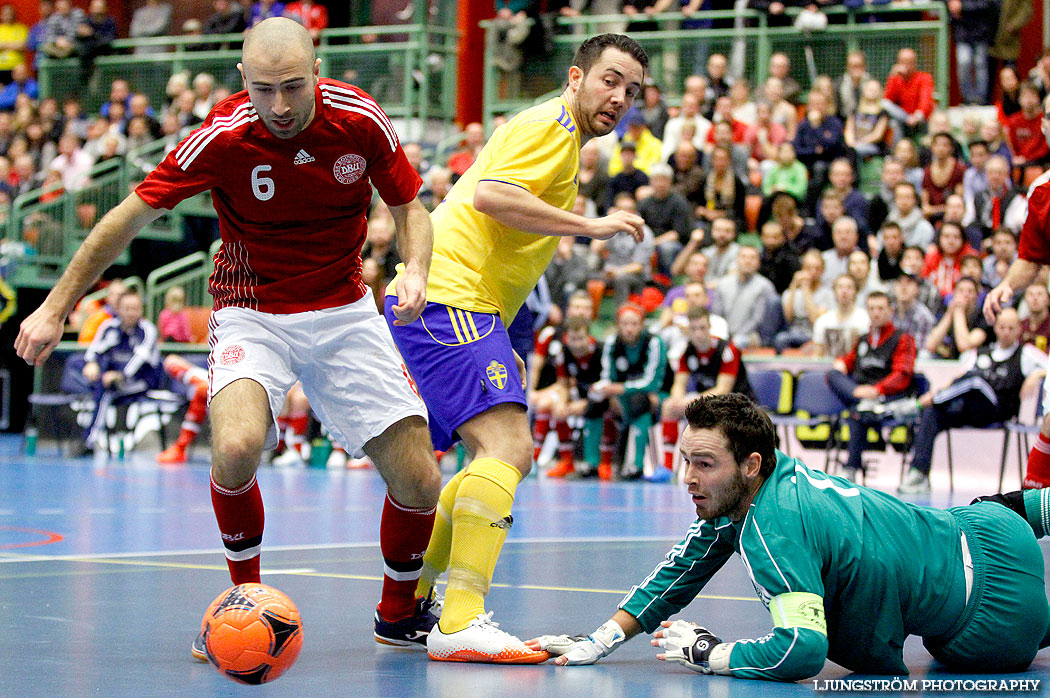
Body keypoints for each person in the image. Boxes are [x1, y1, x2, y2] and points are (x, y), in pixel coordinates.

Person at [14, 17, 444, 659]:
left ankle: (397, 611)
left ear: (317, 73)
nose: (279, 105)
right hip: (252, 311)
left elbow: (410, 206)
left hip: (344, 309)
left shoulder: (360, 121)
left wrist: (416, 270)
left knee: (419, 481)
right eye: (265, 89)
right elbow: (123, 222)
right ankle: (243, 602)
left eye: (294, 87)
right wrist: (53, 307)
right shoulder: (220, 137)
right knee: (238, 445)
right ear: (244, 79)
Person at [384, 33, 648, 663]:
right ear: (576, 77)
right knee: (507, 447)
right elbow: (490, 197)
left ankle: (408, 609)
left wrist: (504, 334)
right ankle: (460, 619)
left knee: (486, 451)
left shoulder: (561, 136)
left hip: (468, 304)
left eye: (632, 91)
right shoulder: (551, 126)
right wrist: (592, 226)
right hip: (451, 296)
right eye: (610, 80)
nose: (619, 98)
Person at [527, 392, 1050, 681]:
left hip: (990, 625)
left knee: (946, 641)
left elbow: (800, 651)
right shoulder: (774, 475)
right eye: (685, 459)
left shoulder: (771, 531)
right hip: (995, 529)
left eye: (704, 464)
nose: (688, 477)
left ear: (750, 464)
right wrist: (604, 637)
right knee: (980, 517)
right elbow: (683, 566)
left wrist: (706, 652)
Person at [900, 308, 1047, 494]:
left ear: (1019, 329)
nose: (1006, 332)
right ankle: (919, 473)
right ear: (996, 328)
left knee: (975, 380)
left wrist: (1036, 374)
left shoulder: (1026, 353)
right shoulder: (981, 353)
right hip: (970, 409)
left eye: (1011, 328)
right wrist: (943, 392)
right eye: (1002, 327)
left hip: (998, 410)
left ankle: (922, 402)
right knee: (934, 412)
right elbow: (960, 378)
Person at [983, 91, 1050, 488]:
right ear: (1043, 126)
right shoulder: (1041, 191)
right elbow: (1032, 257)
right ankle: (1033, 502)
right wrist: (1006, 286)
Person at [826, 291, 917, 482]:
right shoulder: (863, 340)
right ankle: (859, 398)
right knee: (833, 374)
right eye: (872, 309)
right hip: (861, 394)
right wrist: (842, 364)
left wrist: (877, 390)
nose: (876, 313)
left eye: (881, 309)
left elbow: (902, 375)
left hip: (887, 398)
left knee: (858, 412)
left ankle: (850, 467)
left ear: (890, 311)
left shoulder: (902, 339)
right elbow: (849, 360)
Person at [657, 306, 753, 480]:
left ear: (709, 328)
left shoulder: (727, 350)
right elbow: (679, 384)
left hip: (736, 405)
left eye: (702, 328)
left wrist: (691, 401)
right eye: (693, 329)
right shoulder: (687, 351)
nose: (698, 333)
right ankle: (667, 467)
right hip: (709, 403)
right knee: (669, 407)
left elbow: (723, 390)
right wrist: (677, 399)